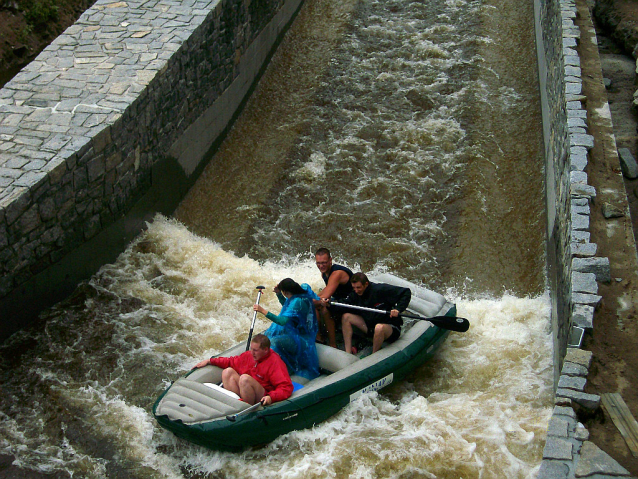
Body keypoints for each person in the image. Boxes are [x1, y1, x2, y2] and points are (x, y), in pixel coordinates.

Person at [194, 334, 293, 405]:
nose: (252, 353)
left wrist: (271, 397)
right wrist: (210, 361)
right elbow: (230, 361)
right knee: (227, 372)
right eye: (251, 349)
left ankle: (245, 407)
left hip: (262, 394)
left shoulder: (275, 362)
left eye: (255, 350)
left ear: (265, 350)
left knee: (244, 378)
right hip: (246, 390)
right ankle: (232, 403)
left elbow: (286, 388)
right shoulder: (249, 356)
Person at [253, 278, 320, 381]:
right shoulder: (296, 296)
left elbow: (282, 321)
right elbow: (287, 306)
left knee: (272, 342)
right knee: (267, 338)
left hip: (300, 339)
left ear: (286, 292)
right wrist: (279, 294)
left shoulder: (298, 301)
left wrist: (263, 311)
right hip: (293, 333)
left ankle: (271, 371)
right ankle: (264, 367)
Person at [341, 272, 411, 355]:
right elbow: (343, 304)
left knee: (379, 328)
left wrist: (398, 309)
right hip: (370, 327)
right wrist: (328, 304)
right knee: (346, 317)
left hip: (389, 328)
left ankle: (374, 355)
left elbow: (406, 292)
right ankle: (348, 353)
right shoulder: (355, 294)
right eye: (354, 288)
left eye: (358, 287)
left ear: (366, 284)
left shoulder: (380, 289)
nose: (356, 290)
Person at [314, 247, 354, 348]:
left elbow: (326, 295)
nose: (321, 266)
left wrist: (309, 300)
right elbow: (326, 290)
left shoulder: (337, 273)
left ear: (330, 260)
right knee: (314, 305)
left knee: (325, 308)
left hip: (352, 302)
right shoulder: (325, 272)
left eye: (324, 263)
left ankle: (333, 344)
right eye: (318, 263)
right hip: (340, 300)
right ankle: (319, 337)